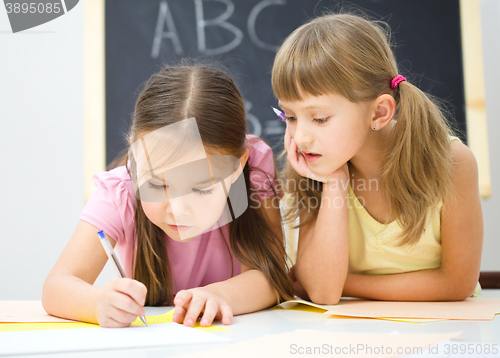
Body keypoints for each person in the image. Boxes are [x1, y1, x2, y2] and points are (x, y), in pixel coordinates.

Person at [42, 64, 293, 328]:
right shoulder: (120, 190)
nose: (178, 209)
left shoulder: (254, 168)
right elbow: (56, 286)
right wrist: (95, 303)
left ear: (237, 166)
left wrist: (220, 296)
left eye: (201, 189)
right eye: (158, 185)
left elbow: (272, 277)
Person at [271, 13, 483, 304]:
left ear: (379, 112)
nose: (300, 137)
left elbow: (456, 284)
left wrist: (346, 282)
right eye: (290, 117)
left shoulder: (452, 162)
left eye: (319, 119)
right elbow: (322, 292)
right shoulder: (314, 170)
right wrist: (334, 183)